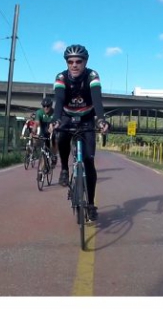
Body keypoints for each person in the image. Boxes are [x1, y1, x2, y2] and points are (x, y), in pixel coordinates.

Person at [49, 44, 110, 222]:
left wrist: (101, 120)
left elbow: (97, 100)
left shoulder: (92, 76)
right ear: (67, 63)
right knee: (61, 136)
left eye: (78, 61)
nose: (74, 65)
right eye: (70, 62)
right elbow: (59, 100)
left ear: (85, 62)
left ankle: (90, 204)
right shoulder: (61, 77)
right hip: (66, 116)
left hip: (87, 118)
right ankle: (65, 169)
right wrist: (55, 119)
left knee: (89, 162)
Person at [34, 97, 57, 165]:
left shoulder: (55, 113)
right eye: (44, 106)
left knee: (55, 140)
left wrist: (53, 127)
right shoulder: (39, 112)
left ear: (51, 106)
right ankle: (42, 168)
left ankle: (54, 155)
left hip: (52, 130)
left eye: (47, 106)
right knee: (40, 144)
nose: (46, 108)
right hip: (43, 131)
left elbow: (57, 123)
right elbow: (36, 124)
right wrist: (34, 132)